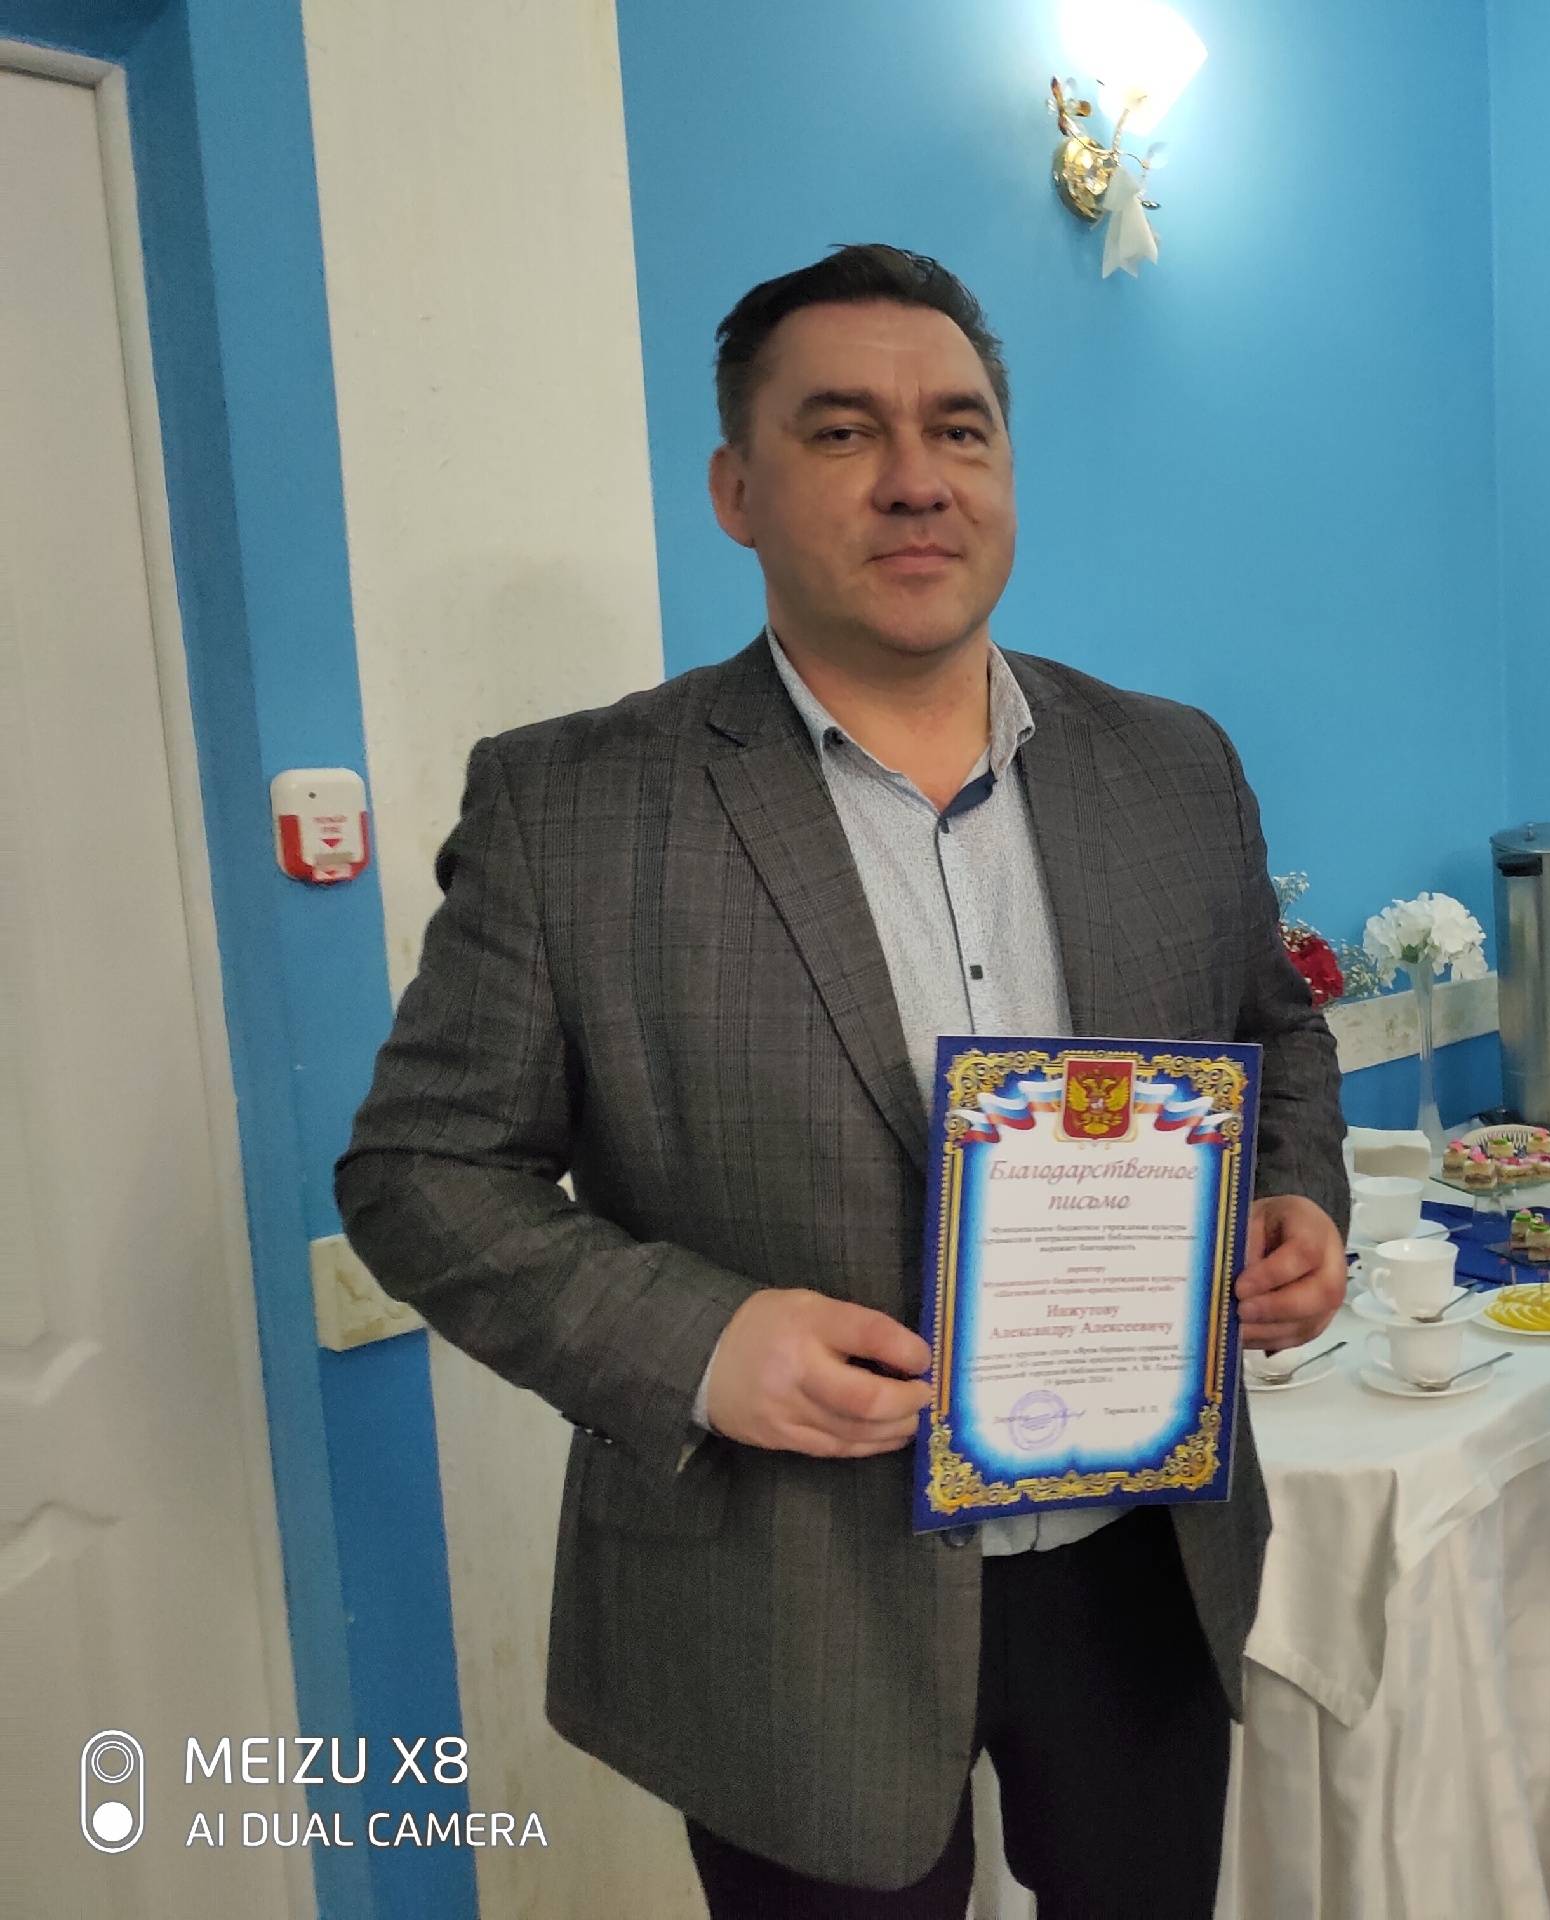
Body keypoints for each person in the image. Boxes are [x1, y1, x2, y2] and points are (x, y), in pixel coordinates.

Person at [338, 244, 1349, 1919]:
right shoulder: (573, 808)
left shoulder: (1174, 767)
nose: (914, 479)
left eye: (958, 429)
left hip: (1141, 1560)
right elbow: (420, 1173)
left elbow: (1275, 1034)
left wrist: (1296, 1194)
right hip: (789, 1600)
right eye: (841, 431)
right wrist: (702, 1343)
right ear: (736, 490)